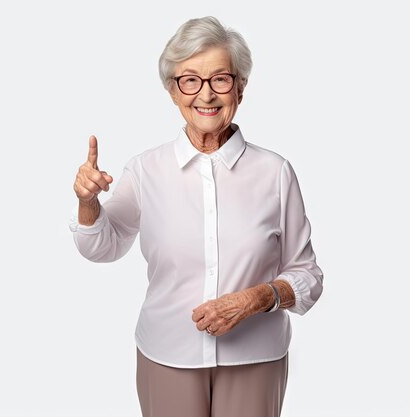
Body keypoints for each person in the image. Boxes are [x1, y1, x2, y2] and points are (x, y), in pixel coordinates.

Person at [69, 16, 323, 417]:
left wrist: (256, 298)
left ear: (240, 87)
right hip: (166, 353)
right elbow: (102, 248)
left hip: (256, 359)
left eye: (220, 79)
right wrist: (87, 202)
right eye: (189, 80)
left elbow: (308, 276)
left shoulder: (275, 171)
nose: (206, 94)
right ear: (173, 91)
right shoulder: (145, 169)